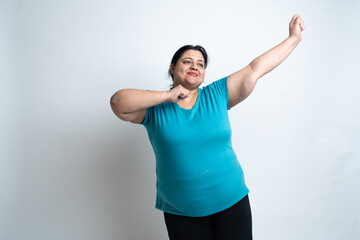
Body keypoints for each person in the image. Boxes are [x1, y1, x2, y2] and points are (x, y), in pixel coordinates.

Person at [110, 14, 305, 240]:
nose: (195, 66)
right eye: (187, 61)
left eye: (200, 64)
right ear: (173, 68)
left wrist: (293, 39)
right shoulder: (154, 108)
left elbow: (255, 68)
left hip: (232, 202)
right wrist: (167, 96)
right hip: (182, 213)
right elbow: (118, 102)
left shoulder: (217, 94)